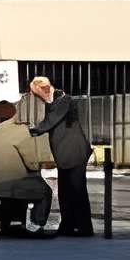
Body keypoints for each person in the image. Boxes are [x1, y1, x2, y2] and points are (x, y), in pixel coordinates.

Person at [28, 75, 96, 237]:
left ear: (43, 89)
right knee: (66, 191)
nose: (37, 98)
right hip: (64, 153)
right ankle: (68, 226)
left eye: (37, 94)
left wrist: (31, 131)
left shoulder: (64, 100)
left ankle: (84, 228)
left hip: (74, 152)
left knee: (77, 190)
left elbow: (51, 121)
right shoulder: (54, 102)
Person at [0, 99, 55, 237]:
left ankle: (6, 224)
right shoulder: (19, 130)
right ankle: (36, 226)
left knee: (17, 190)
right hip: (14, 184)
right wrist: (38, 164)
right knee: (44, 192)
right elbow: (31, 161)